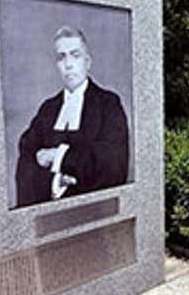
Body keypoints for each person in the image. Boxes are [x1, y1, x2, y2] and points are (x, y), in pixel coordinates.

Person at [15, 26, 130, 208]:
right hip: (50, 214)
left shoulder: (108, 104)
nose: (68, 64)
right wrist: (55, 184)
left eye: (75, 55)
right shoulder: (48, 109)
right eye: (62, 57)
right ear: (57, 65)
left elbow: (112, 163)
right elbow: (26, 160)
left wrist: (58, 156)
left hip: (93, 213)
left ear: (87, 62)